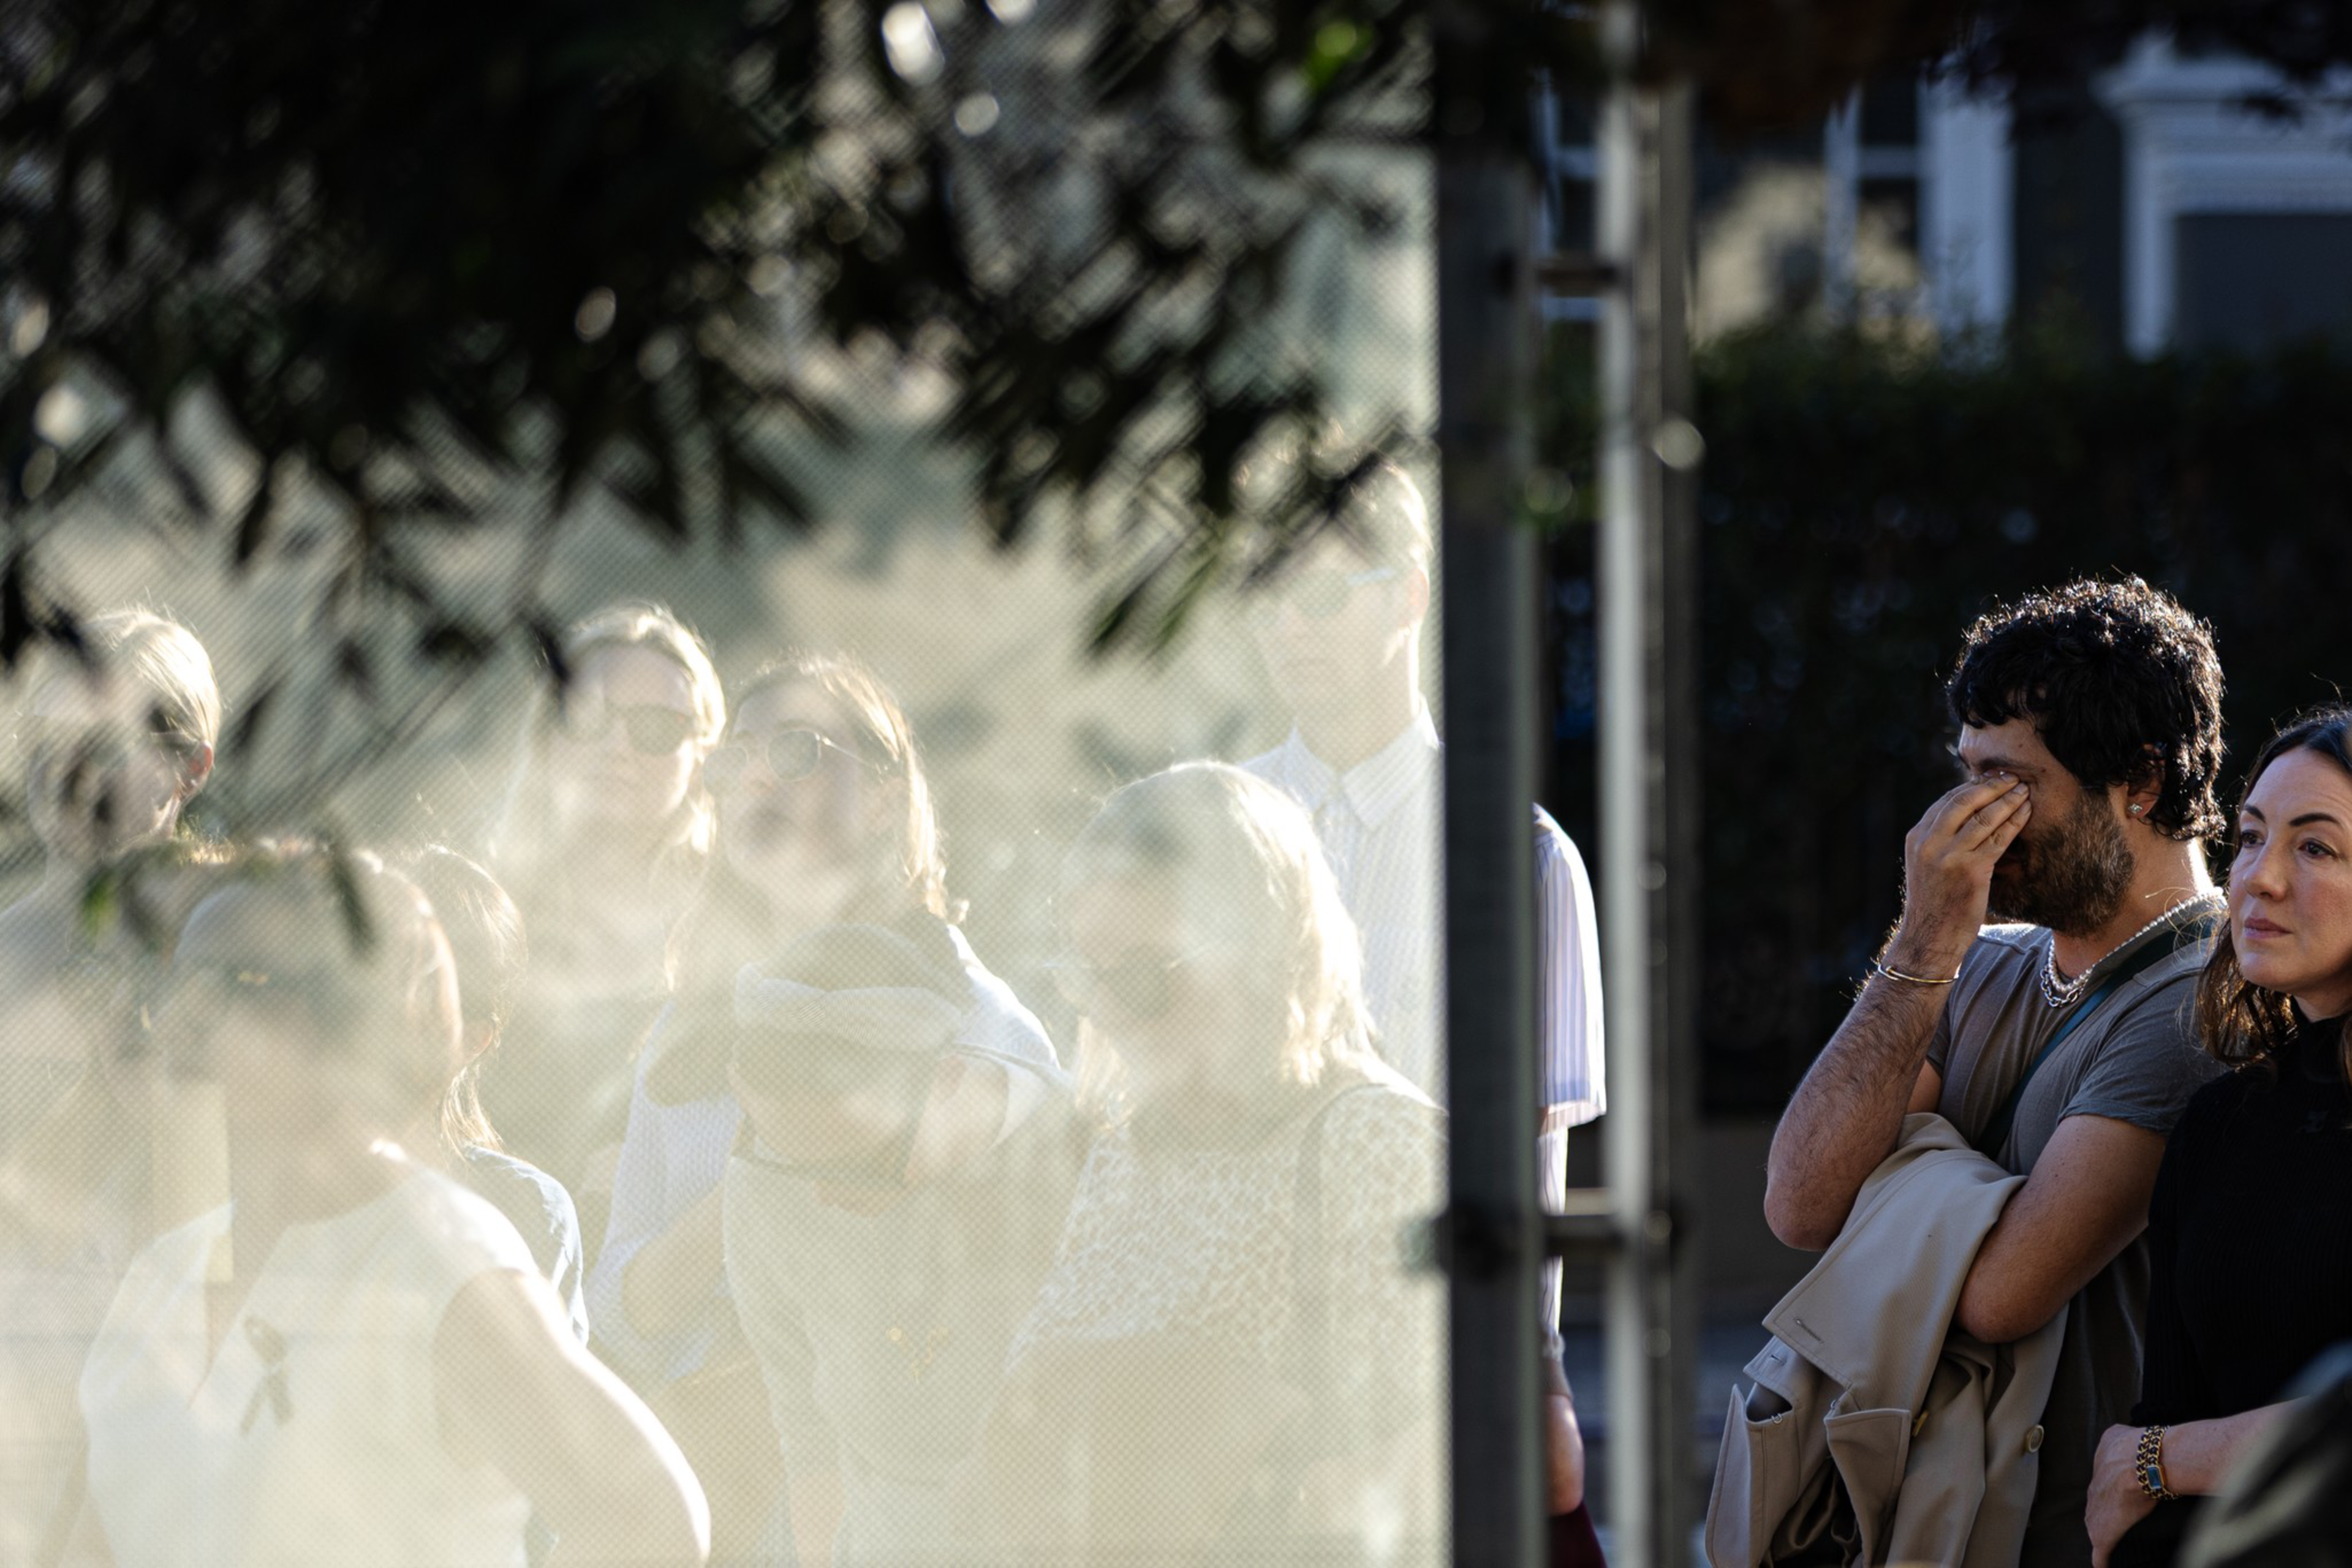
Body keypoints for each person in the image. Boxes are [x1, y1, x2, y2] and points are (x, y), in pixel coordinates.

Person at [1764, 578, 2231, 1568]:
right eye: (1963, 773)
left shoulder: (2203, 998)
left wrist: (1897, 1188)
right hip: (1939, 1514)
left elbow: (1998, 1294)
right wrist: (1924, 944)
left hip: (2073, 1535)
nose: (1966, 815)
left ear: (2138, 782)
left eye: (2007, 782)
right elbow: (1800, 1203)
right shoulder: (1969, 965)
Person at [68, 845, 708, 1566]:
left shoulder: (437, 1263)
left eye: (227, 985)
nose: (175, 1022)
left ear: (345, 1023)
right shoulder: (169, 1270)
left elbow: (652, 1520)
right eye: (175, 982)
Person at [589, 650, 1021, 1562]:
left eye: (793, 752)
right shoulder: (686, 1027)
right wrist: (752, 1189)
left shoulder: (966, 1016)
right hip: (704, 1486)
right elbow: (619, 1309)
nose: (750, 775)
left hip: (889, 1504)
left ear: (884, 798)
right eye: (732, 756)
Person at [1238, 460, 1604, 1519]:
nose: (1284, 629)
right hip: (1234, 1380)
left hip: (1429, 1386)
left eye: (1314, 593)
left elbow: (1514, 1157)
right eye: (1264, 595)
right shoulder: (1217, 827)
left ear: (1407, 595)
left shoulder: (1521, 857)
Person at [966, 763, 1446, 1560]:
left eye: (1144, 979)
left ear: (1263, 952)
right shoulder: (1131, 1146)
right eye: (1086, 979)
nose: (1110, 1014)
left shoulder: (1376, 1148)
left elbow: (1448, 1470)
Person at [660, 919, 1073, 1568]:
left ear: (945, 1079)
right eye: (791, 1158)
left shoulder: (1075, 1170)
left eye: (856, 1161)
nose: (821, 1196)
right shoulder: (762, 1187)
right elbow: (808, 1435)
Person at [2089, 707, 2352, 1566]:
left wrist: (2163, 1461)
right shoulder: (2216, 1125)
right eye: (2246, 838)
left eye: (2314, 848)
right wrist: (2152, 1460)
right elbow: (2161, 1417)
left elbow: (2147, 1457)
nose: (2257, 879)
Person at [480, 601, 726, 1195]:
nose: (616, 746)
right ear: (545, 736)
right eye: (587, 716)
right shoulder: (469, 923)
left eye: (654, 729)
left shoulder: (733, 948)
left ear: (699, 761)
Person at [400, 846, 589, 1346]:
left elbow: (547, 1418)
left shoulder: (522, 1213)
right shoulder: (254, 1174)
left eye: (412, 991)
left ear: (469, 1040)